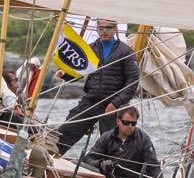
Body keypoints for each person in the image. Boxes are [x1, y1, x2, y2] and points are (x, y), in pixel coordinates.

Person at [55, 19, 140, 155]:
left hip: (113, 105)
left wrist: (116, 103)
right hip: (91, 100)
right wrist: (65, 74)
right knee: (65, 132)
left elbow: (133, 81)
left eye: (108, 28)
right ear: (97, 29)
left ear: (115, 29)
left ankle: (110, 166)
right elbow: (79, 72)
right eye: (101, 28)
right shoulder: (89, 49)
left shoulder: (126, 52)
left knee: (113, 145)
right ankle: (47, 158)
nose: (104, 31)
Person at [84, 106, 164, 178]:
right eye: (126, 123)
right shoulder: (107, 137)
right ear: (118, 121)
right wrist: (100, 164)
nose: (130, 126)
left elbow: (152, 166)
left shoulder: (143, 139)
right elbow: (88, 159)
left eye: (133, 123)